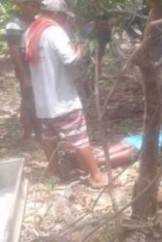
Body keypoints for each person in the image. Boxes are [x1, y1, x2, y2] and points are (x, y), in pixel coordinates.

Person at [25, 0, 110, 187]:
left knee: (48, 139)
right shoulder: (54, 31)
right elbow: (70, 60)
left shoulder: (30, 32)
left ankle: (55, 175)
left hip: (43, 103)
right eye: (63, 16)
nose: (64, 20)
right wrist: (78, 49)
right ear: (56, 14)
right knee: (79, 137)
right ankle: (97, 177)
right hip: (62, 99)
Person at [5, 0, 41, 141]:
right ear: (22, 5)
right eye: (31, 5)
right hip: (25, 67)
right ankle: (28, 133)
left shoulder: (34, 20)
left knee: (35, 99)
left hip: (35, 66)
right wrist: (24, 76)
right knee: (28, 100)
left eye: (36, 5)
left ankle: (38, 131)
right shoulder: (14, 23)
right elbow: (14, 51)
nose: (34, 8)